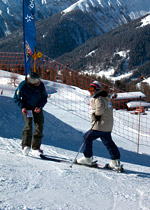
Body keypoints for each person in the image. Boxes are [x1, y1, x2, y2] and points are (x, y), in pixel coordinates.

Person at [77, 81, 121, 170]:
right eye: (89, 89)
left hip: (100, 125)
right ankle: (115, 161)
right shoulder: (106, 98)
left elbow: (100, 109)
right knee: (108, 143)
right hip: (107, 126)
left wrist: (96, 115)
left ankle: (87, 158)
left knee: (87, 137)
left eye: (92, 89)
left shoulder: (98, 98)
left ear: (97, 89)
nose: (90, 91)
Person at [14, 72, 48, 156]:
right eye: (37, 81)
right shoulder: (23, 86)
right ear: (31, 82)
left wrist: (40, 107)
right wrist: (22, 107)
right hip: (27, 109)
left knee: (39, 126)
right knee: (28, 126)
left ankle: (35, 148)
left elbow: (44, 98)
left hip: (37, 109)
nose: (39, 83)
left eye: (39, 81)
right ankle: (25, 146)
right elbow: (16, 98)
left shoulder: (41, 85)